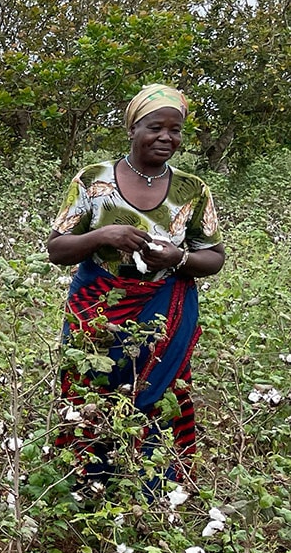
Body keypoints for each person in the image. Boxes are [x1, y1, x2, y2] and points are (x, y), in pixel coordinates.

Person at [47, 84, 225, 484]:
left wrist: (178, 258)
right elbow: (57, 249)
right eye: (155, 127)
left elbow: (214, 257)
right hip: (98, 304)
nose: (166, 137)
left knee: (159, 393)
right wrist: (102, 236)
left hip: (166, 305)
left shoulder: (193, 189)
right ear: (132, 129)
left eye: (175, 130)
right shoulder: (93, 180)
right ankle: (87, 484)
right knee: (89, 389)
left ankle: (154, 488)